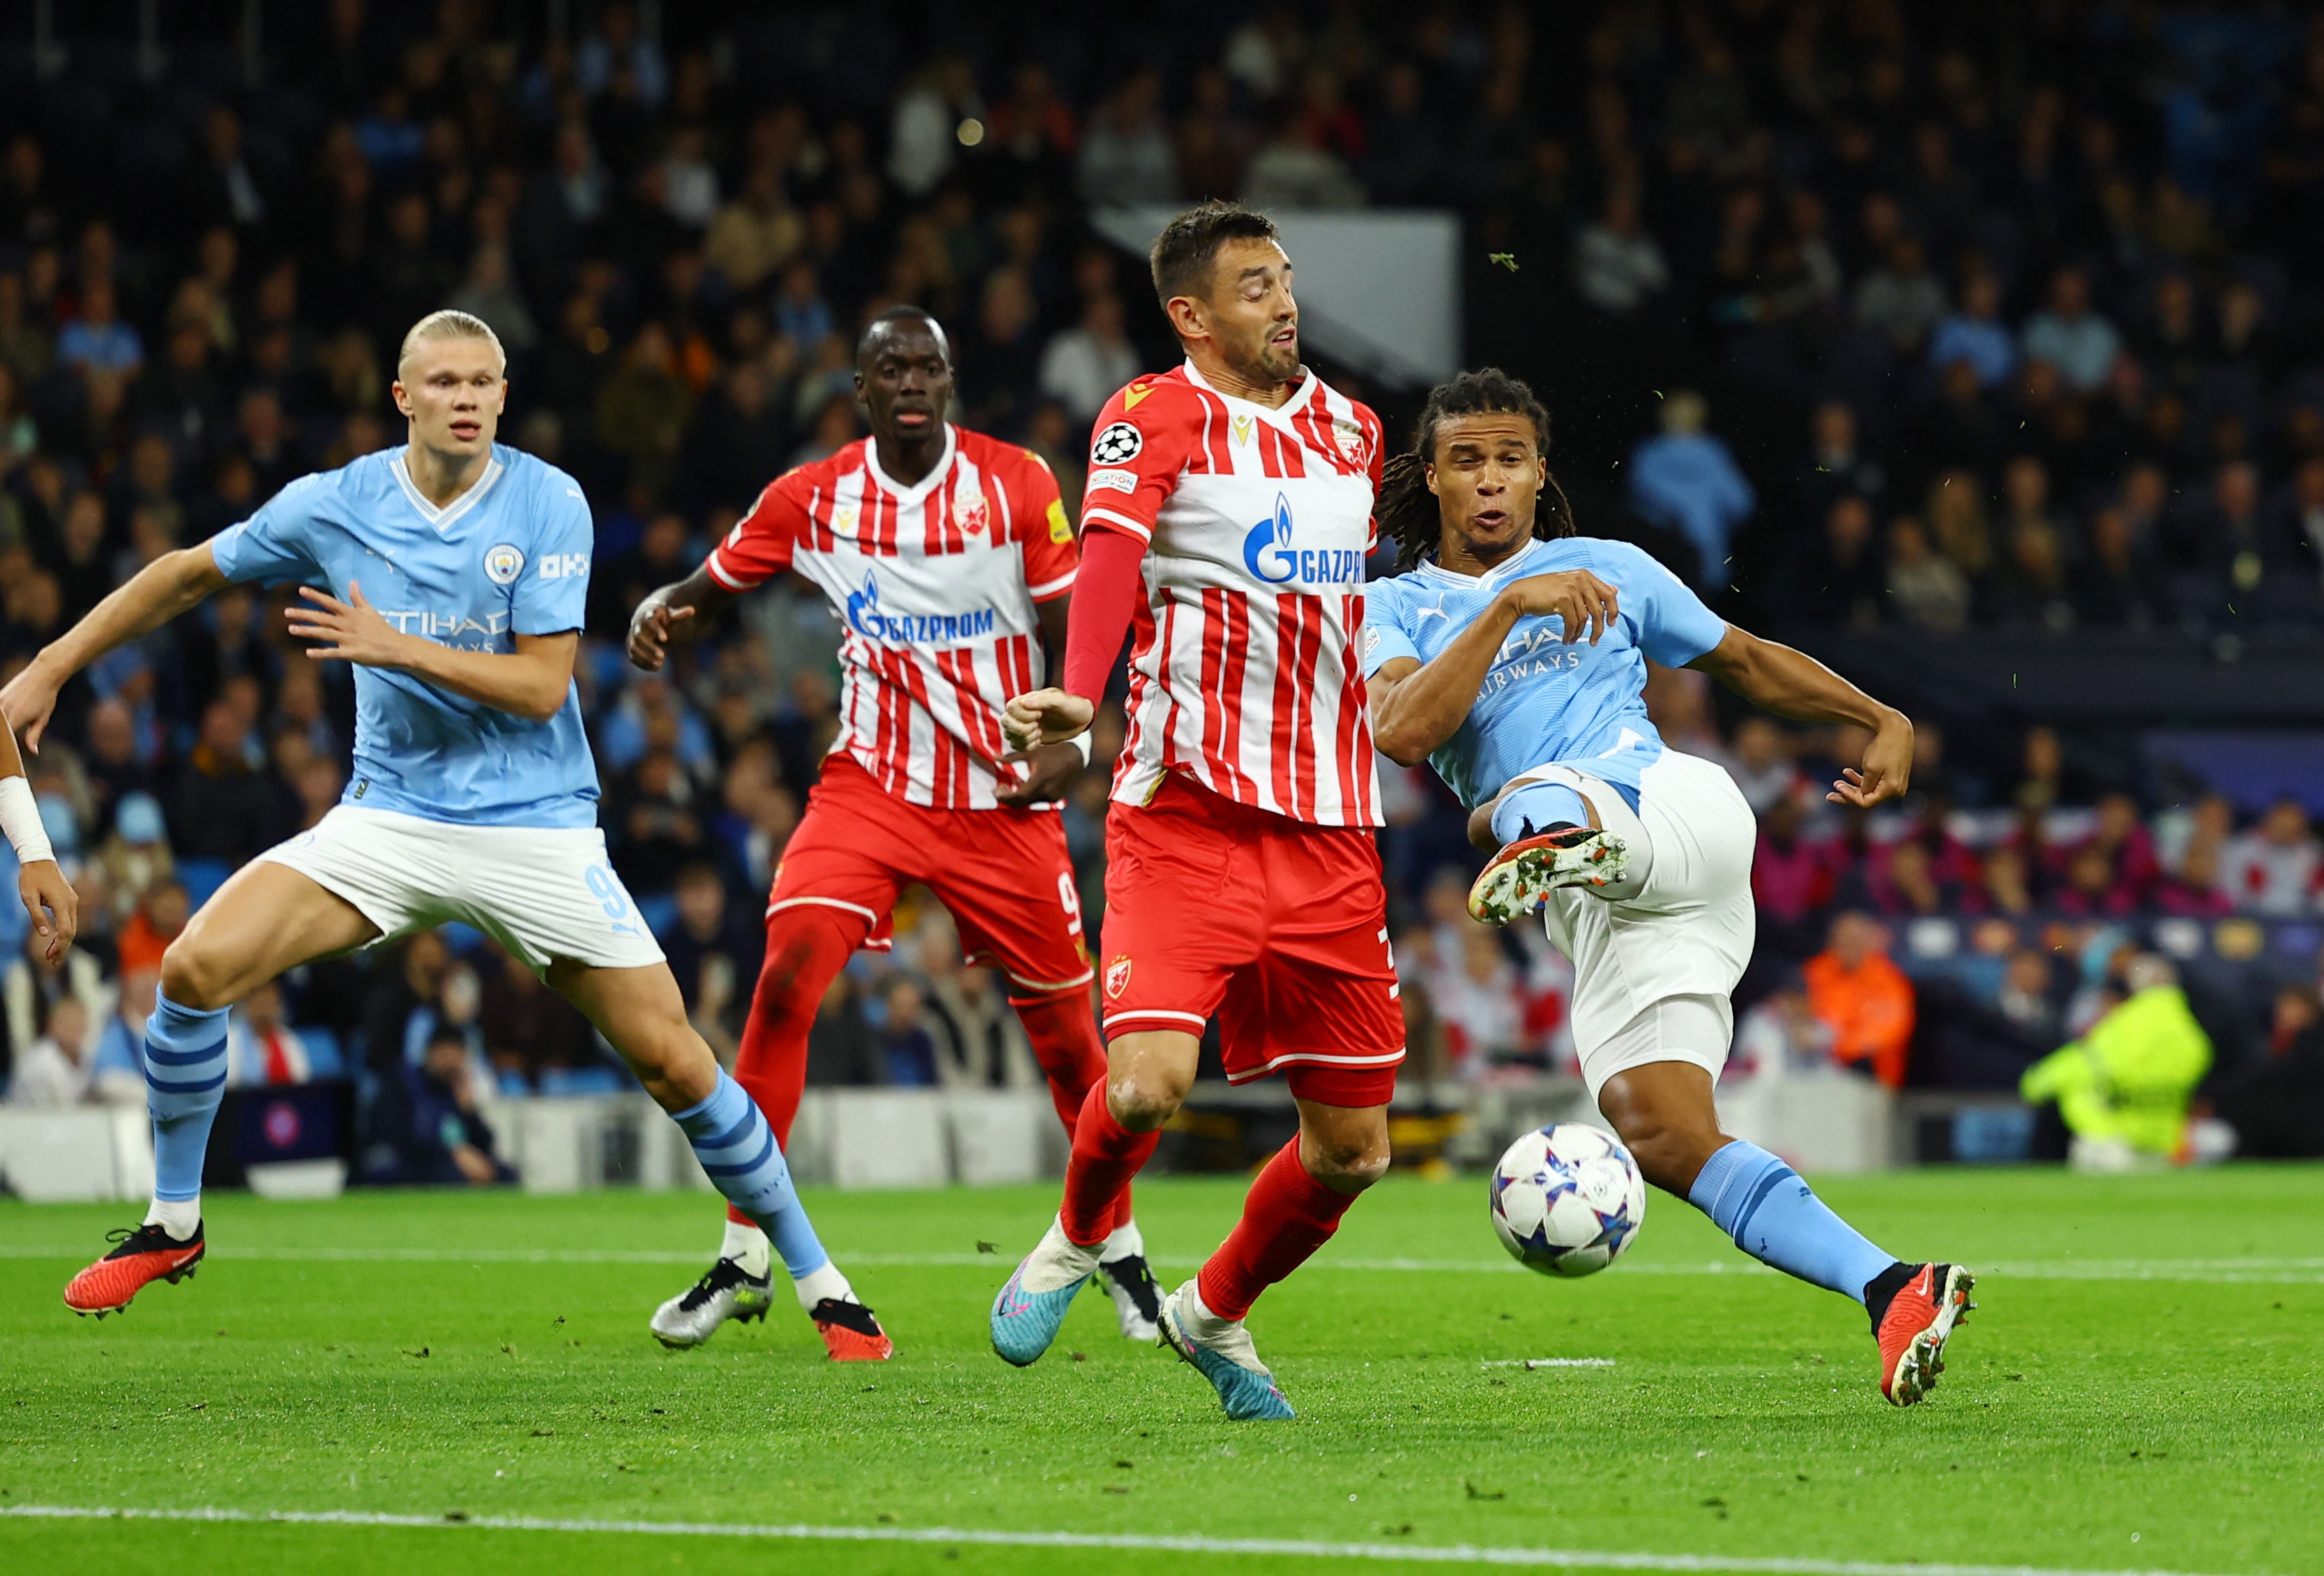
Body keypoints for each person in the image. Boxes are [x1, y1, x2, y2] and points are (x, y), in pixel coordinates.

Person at [2, 309, 887, 1361]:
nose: (466, 398)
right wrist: (54, 662)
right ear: (404, 397)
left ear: (502, 398)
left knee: (674, 1062)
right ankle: (175, 1225)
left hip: (536, 829)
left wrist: (393, 644)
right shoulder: (338, 504)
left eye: (484, 382)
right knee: (195, 969)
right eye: (445, 382)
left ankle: (822, 1284)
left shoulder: (550, 501)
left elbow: (540, 684)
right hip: (392, 820)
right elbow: (190, 572)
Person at [1360, 367, 1973, 1407]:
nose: (1491, 480)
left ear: (1538, 471)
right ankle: (1891, 1286)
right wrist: (1508, 606)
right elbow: (1402, 732)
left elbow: (1743, 662)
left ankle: (1547, 830)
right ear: (1433, 479)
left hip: (1673, 813)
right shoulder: (1395, 606)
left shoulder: (1607, 568)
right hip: (1609, 914)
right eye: (1467, 461)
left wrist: (1880, 716)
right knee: (1656, 1128)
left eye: (1510, 458)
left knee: (1518, 801)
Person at [627, 306, 1153, 1350]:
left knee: (1070, 1049)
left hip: (1003, 803)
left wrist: (1077, 740)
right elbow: (717, 583)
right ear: (861, 390)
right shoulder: (813, 496)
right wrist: (660, 608)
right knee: (782, 981)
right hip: (870, 788)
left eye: (927, 366)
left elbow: (1082, 620)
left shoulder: (1015, 483)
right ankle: (742, 1254)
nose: (910, 382)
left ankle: (1117, 1246)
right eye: (890, 368)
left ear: (949, 382)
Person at [994, 202, 1397, 1422]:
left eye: (1285, 279)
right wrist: (1080, 685)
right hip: (1188, 816)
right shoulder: (1152, 414)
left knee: (1354, 1153)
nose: (1283, 301)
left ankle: (1213, 1315)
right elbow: (1111, 553)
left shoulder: (1354, 431)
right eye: (1254, 285)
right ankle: (1076, 1236)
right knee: (1151, 1084)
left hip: (1331, 832)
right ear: (1192, 315)